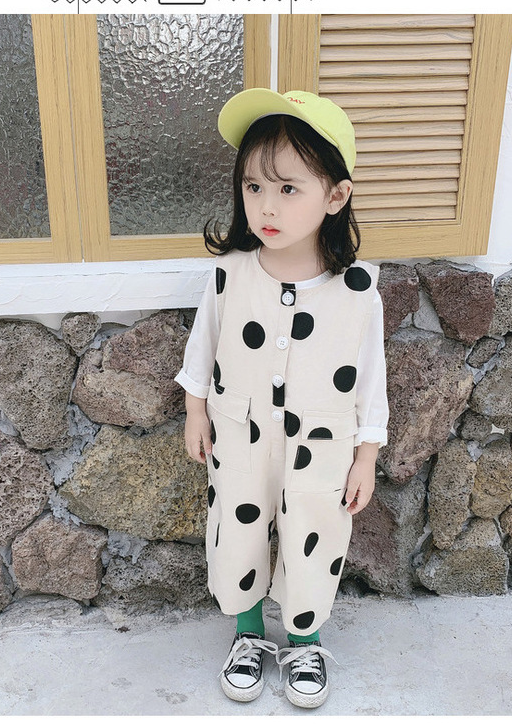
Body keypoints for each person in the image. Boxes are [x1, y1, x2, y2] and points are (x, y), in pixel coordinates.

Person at [174, 89, 388, 709]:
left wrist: (366, 456)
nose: (266, 206)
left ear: (335, 196)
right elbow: (203, 346)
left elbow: (370, 379)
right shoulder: (231, 273)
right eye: (254, 186)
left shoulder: (358, 291)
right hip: (239, 431)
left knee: (314, 535)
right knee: (236, 529)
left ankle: (304, 641)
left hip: (323, 442)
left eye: (289, 188)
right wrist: (195, 412)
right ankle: (247, 634)